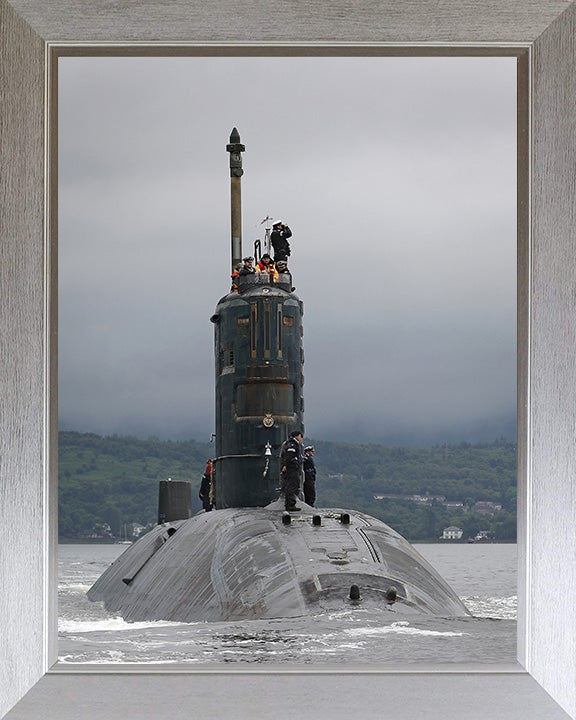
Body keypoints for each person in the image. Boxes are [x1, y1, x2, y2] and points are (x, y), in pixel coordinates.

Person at [280, 430, 303, 511]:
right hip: (292, 469)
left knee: (292, 486)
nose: (301, 438)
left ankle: (289, 504)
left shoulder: (292, 444)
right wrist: (286, 466)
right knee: (291, 486)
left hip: (293, 468)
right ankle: (290, 505)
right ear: (297, 436)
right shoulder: (292, 445)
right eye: (300, 436)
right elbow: (289, 457)